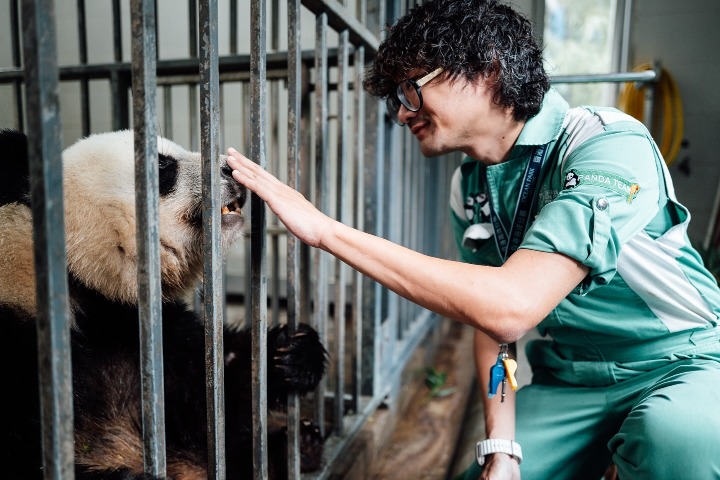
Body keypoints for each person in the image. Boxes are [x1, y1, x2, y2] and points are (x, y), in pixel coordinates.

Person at [226, 0, 720, 478]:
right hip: (572, 379)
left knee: (675, 442)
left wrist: (327, 231)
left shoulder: (606, 144)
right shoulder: (471, 185)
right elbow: (490, 325)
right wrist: (501, 448)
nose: (401, 113)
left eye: (410, 91)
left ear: (486, 69)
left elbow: (512, 306)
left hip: (678, 360)